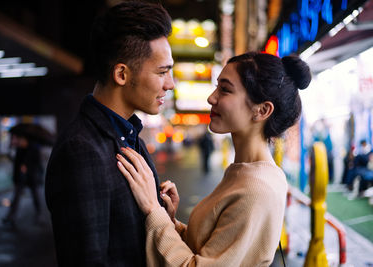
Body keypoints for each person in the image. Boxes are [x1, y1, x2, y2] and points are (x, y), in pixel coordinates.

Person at [117, 52, 311, 266]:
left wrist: (153, 210)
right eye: (217, 86)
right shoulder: (248, 172)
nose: (211, 97)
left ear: (262, 110)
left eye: (225, 89)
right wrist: (170, 222)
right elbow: (211, 248)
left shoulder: (256, 188)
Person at [45, 2, 174, 267]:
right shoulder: (81, 150)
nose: (170, 84)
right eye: (162, 72)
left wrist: (164, 217)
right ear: (121, 74)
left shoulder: (128, 135)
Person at [2, 134, 43, 226]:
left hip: (31, 177)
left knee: (35, 196)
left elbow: (38, 164)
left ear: (26, 140)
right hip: (21, 178)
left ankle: (39, 213)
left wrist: (27, 167)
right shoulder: (19, 150)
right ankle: (11, 216)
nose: (20, 141)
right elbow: (16, 165)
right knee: (16, 196)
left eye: (22, 140)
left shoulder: (34, 149)